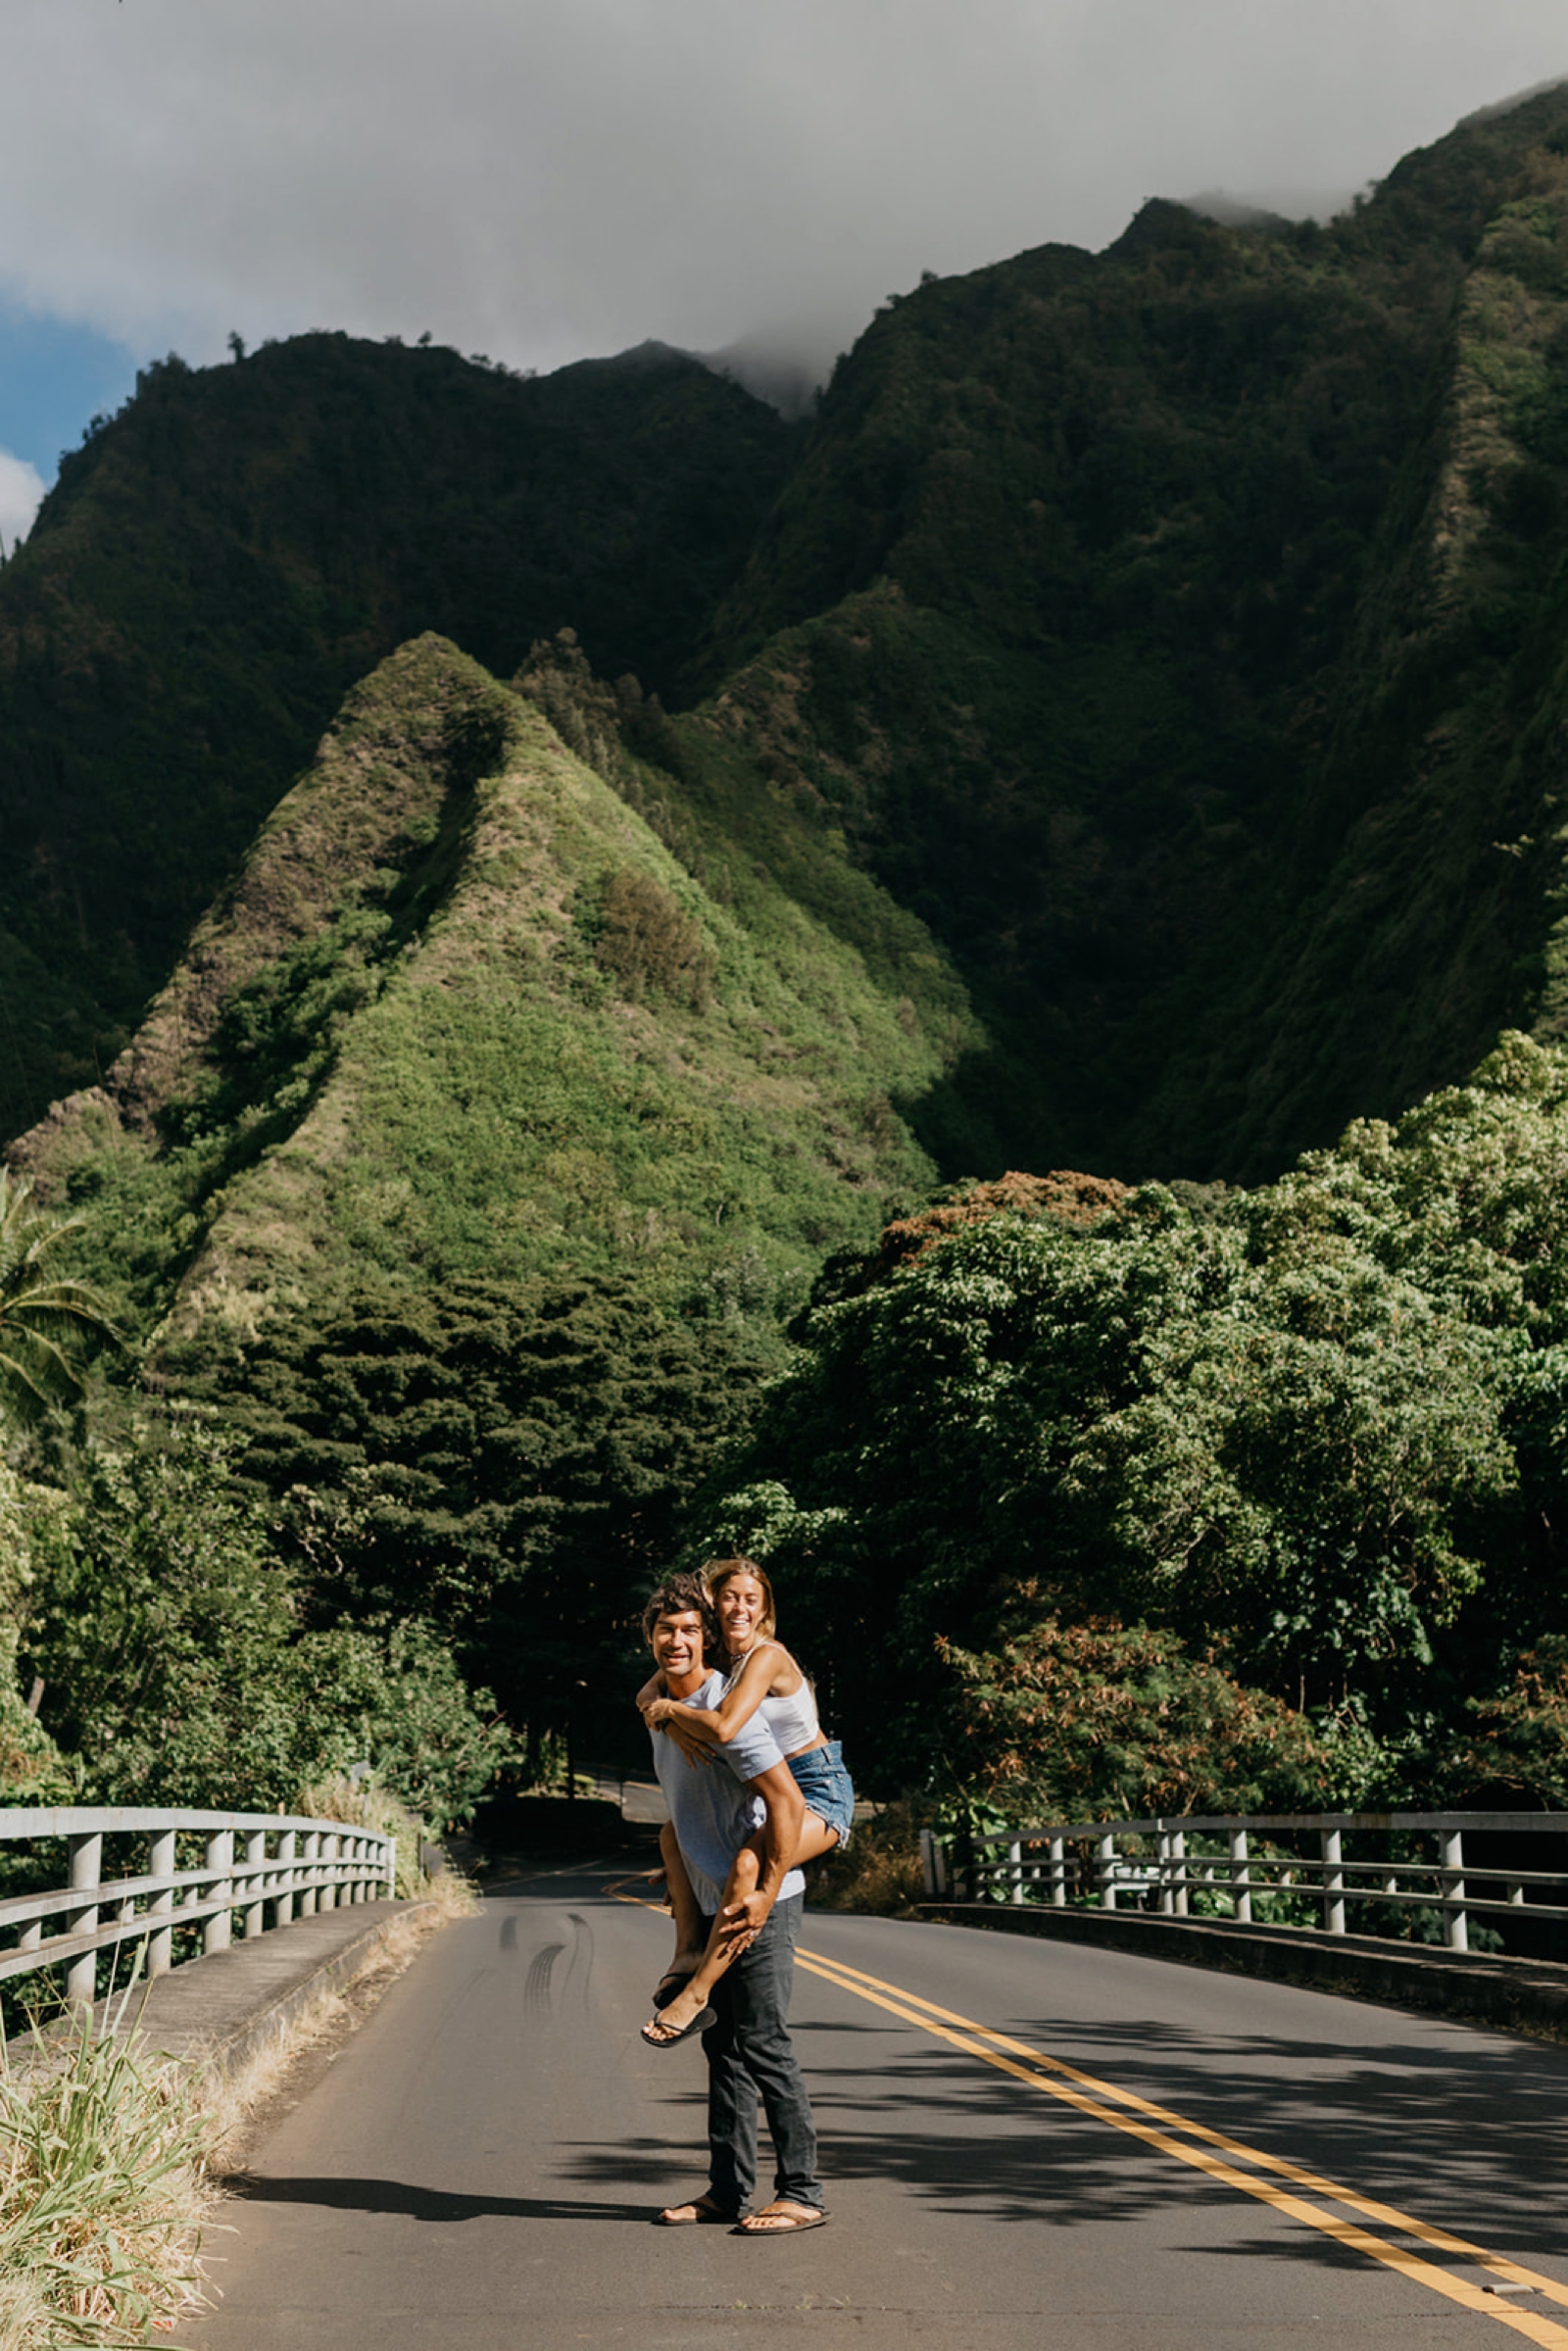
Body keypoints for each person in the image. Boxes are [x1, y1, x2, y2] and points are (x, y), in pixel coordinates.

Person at [639, 1572, 829, 2233]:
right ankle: (728, 2189)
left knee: (762, 2041)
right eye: (667, 1628)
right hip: (713, 1893)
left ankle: (803, 2190)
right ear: (651, 1637)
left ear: (707, 1638)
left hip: (759, 1898)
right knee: (723, 2048)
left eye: (691, 1629)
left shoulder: (727, 1712)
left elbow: (789, 1802)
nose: (678, 1639)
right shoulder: (661, 1706)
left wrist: (764, 1888)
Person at [637, 1557, 854, 2048]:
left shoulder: (765, 1657)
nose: (739, 1607)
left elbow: (724, 1727)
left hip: (818, 1792)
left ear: (764, 1611)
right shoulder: (723, 1662)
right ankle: (687, 1953)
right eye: (730, 1597)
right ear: (715, 1605)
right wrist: (658, 1707)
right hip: (779, 1788)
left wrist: (668, 1711)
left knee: (747, 1868)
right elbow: (647, 1690)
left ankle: (696, 1994)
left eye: (751, 1599)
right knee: (672, 1838)